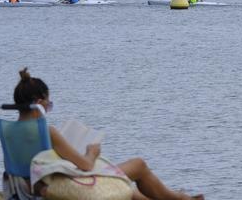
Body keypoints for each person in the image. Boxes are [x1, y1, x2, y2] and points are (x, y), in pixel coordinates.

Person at [12, 69, 204, 200]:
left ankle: (175, 197)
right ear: (39, 102)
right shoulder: (46, 131)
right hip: (61, 188)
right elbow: (85, 165)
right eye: (49, 104)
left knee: (125, 185)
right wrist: (91, 151)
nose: (49, 108)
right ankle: (178, 198)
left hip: (29, 188)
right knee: (138, 164)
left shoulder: (11, 131)